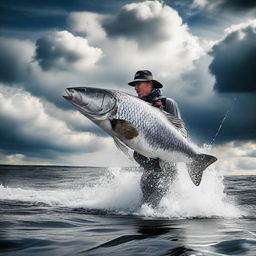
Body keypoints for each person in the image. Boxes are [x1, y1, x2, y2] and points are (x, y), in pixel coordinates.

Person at [128, 70, 187, 207]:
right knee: (145, 205)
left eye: (138, 84)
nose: (135, 88)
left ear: (149, 84)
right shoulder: (134, 107)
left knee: (155, 206)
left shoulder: (168, 103)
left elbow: (182, 132)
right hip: (148, 169)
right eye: (134, 85)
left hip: (166, 167)